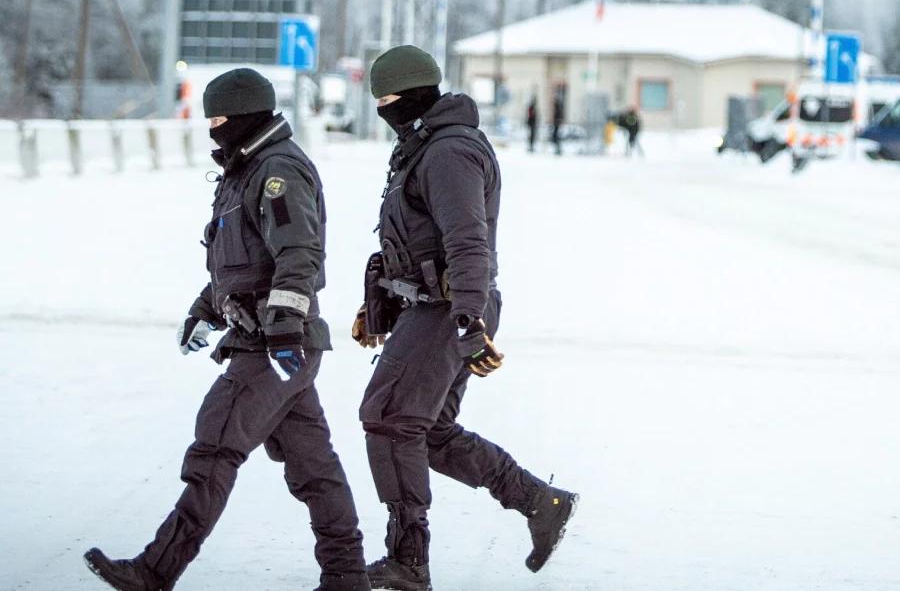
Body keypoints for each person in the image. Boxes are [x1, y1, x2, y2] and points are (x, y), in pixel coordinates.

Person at [83, 68, 369, 591]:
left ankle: (155, 571)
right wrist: (205, 310)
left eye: (219, 119)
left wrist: (282, 329)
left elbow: (298, 255)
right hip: (268, 339)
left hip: (274, 345)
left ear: (246, 116)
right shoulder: (244, 171)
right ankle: (347, 575)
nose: (212, 129)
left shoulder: (277, 171)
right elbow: (240, 263)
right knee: (312, 465)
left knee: (215, 446)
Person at [351, 45, 578, 591]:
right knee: (429, 433)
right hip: (430, 306)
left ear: (412, 95)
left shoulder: (448, 152)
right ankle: (539, 502)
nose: (383, 110)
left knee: (387, 418)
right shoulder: (423, 145)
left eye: (388, 100)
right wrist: (378, 296)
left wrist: (469, 320)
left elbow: (468, 244)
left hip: (447, 310)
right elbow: (413, 237)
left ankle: (409, 560)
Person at [551, 92, 564, 156]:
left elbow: (558, 116)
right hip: (556, 124)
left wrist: (557, 121)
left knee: (556, 136)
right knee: (555, 136)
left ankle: (558, 149)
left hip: (556, 124)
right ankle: (557, 149)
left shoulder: (557, 109)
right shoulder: (557, 108)